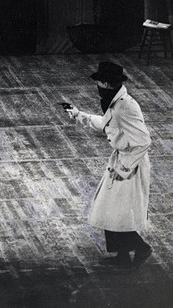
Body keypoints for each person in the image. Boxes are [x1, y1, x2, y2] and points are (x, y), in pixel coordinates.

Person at [64, 61, 153, 268]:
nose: (98, 87)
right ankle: (122, 255)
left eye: (100, 83)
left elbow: (143, 141)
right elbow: (105, 124)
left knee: (115, 211)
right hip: (121, 162)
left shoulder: (126, 106)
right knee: (110, 210)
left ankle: (140, 248)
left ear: (106, 83)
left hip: (130, 165)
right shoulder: (116, 103)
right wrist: (78, 114)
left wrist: (125, 169)